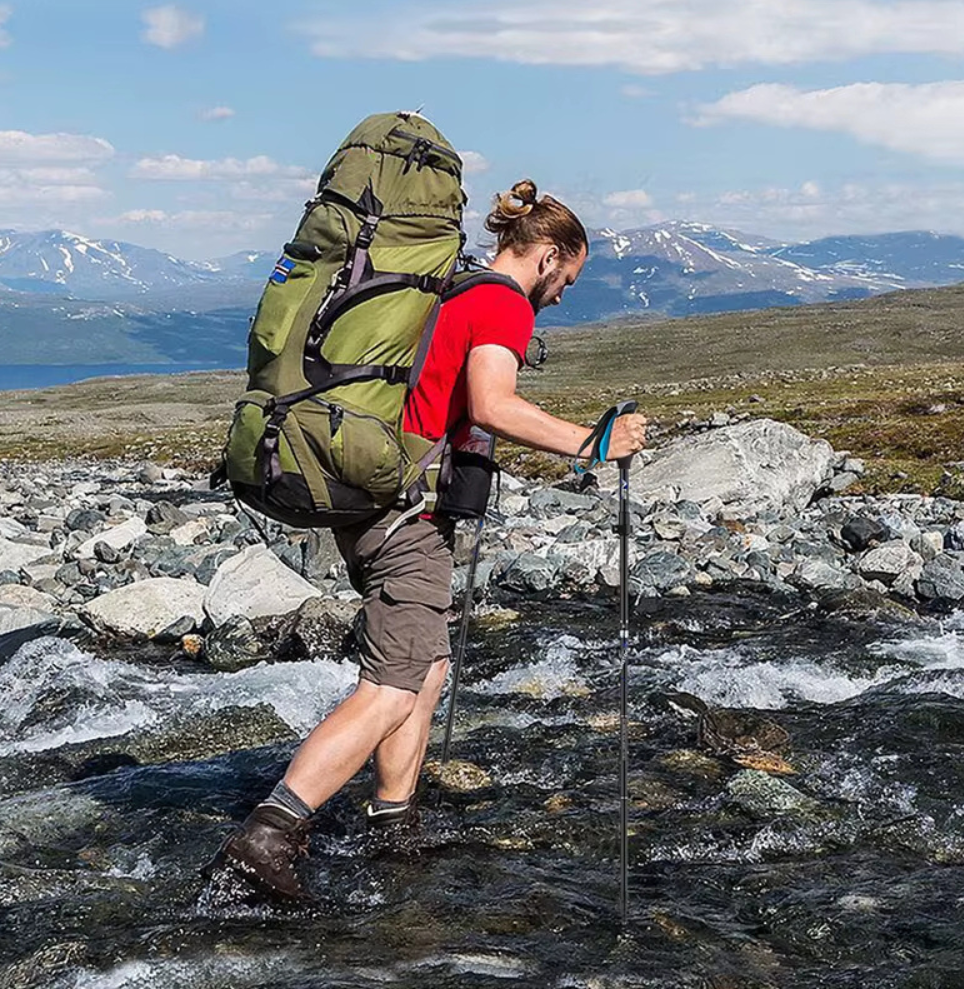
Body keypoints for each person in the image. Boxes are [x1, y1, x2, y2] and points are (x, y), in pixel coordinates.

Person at [206, 179, 648, 901]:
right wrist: (592, 443)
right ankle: (267, 836)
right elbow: (492, 403)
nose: (564, 295)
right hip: (405, 513)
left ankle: (392, 821)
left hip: (379, 499)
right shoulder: (501, 301)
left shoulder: (455, 290)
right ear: (546, 256)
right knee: (390, 684)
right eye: (569, 277)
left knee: (427, 663)